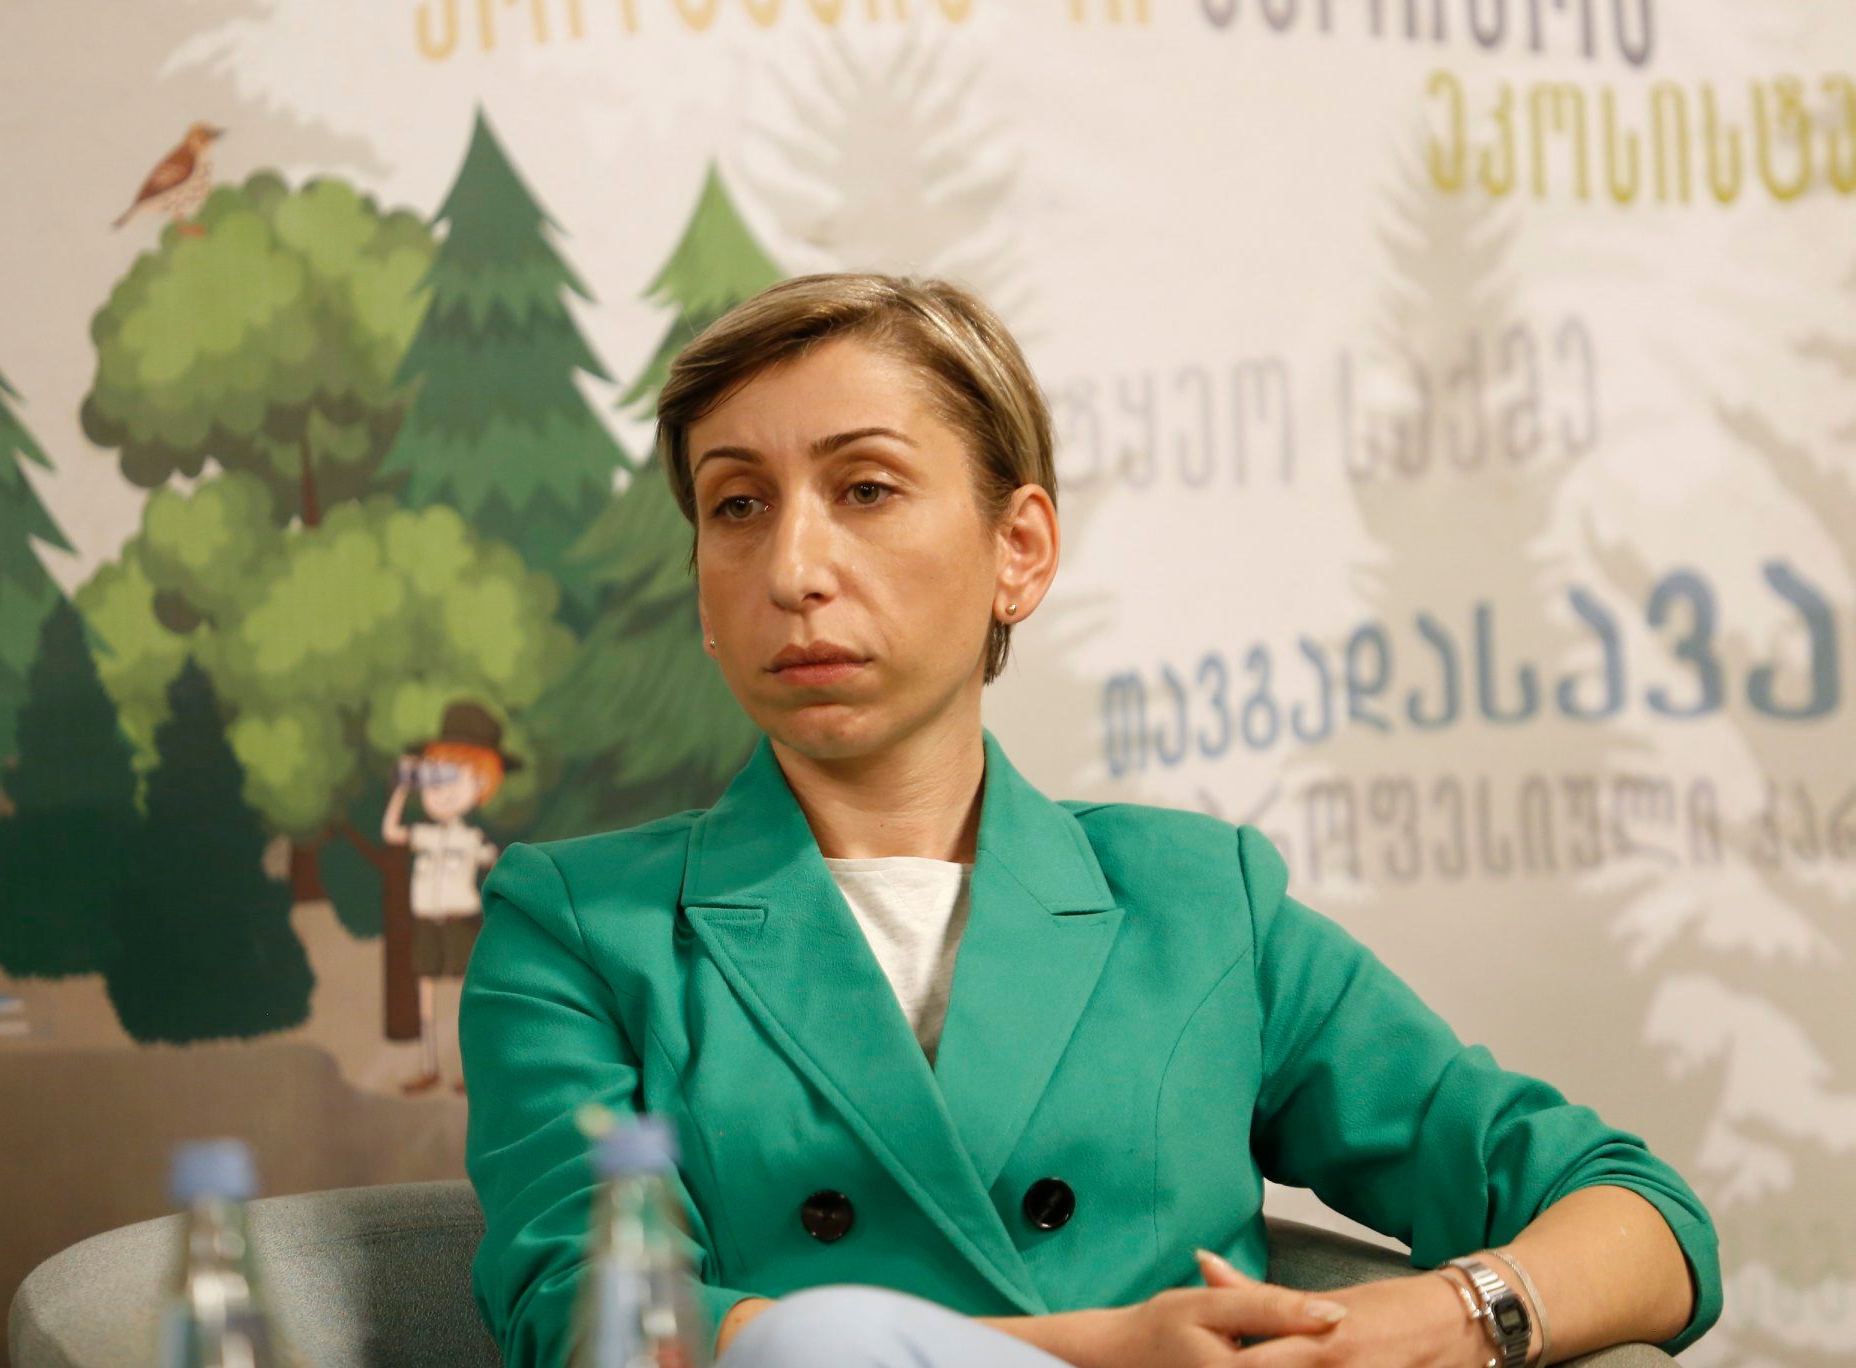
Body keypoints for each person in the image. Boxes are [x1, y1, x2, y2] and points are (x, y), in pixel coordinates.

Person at [460, 273, 1722, 1367]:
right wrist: (1103, 1352)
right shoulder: (576, 925)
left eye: (866, 488)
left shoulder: (1201, 901)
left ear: (1018, 549)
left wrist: (1451, 1316)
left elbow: (1643, 1217)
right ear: (700, 587)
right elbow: (582, 1319)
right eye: (737, 506)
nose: (792, 569)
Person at [383, 700, 514, 1093]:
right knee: (426, 994)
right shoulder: (425, 835)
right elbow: (391, 832)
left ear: (482, 784)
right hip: (428, 921)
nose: (440, 790)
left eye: (454, 776)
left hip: (462, 923)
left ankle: (470, 1070)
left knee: (465, 997)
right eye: (434, 776)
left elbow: (500, 867)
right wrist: (402, 787)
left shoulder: (473, 839)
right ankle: (430, 1065)